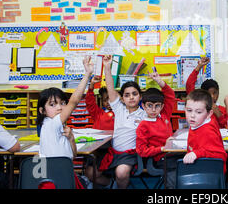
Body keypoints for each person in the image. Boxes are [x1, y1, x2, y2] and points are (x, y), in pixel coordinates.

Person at [37, 56, 94, 189]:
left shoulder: (59, 126)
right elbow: (74, 101)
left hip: (66, 174)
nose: (59, 107)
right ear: (42, 111)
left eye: (62, 103)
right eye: (52, 104)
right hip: (55, 179)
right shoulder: (50, 123)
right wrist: (87, 74)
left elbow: (73, 155)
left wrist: (71, 138)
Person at [96, 54, 146, 189]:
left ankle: (119, 186)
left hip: (130, 154)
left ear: (140, 97)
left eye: (135, 94)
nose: (131, 98)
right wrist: (107, 67)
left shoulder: (144, 114)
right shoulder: (119, 109)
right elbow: (110, 88)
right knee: (91, 173)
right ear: (122, 99)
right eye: (127, 95)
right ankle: (111, 184)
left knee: (121, 172)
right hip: (113, 152)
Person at [136, 71, 176, 188]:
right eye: (149, 106)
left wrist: (159, 80)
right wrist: (162, 148)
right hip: (159, 158)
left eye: (157, 106)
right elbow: (141, 151)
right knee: (177, 169)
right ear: (143, 106)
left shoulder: (164, 115)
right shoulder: (143, 125)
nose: (153, 110)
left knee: (191, 161)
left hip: (172, 153)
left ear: (162, 106)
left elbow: (170, 94)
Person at [183, 89, 227, 173]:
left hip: (211, 174)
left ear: (209, 114)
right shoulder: (196, 123)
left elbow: (221, 156)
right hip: (199, 168)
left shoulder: (208, 131)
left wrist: (197, 153)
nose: (192, 116)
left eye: (198, 112)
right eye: (189, 110)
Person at [186, 57, 228, 128]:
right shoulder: (199, 107)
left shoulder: (223, 110)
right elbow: (189, 85)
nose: (212, 96)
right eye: (208, 93)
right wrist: (199, 66)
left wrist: (219, 116)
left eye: (215, 93)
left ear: (218, 93)